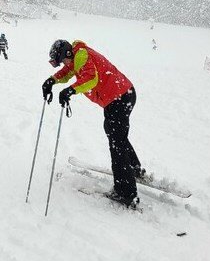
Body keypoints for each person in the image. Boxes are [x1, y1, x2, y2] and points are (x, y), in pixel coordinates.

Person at [42, 39, 145, 208]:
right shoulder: (76, 57)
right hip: (119, 96)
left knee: (116, 142)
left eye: (63, 60)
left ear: (68, 54)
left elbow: (91, 79)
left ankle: (126, 193)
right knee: (115, 134)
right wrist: (51, 80)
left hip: (119, 97)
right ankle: (134, 168)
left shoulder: (81, 55)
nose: (64, 64)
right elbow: (68, 72)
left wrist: (71, 90)